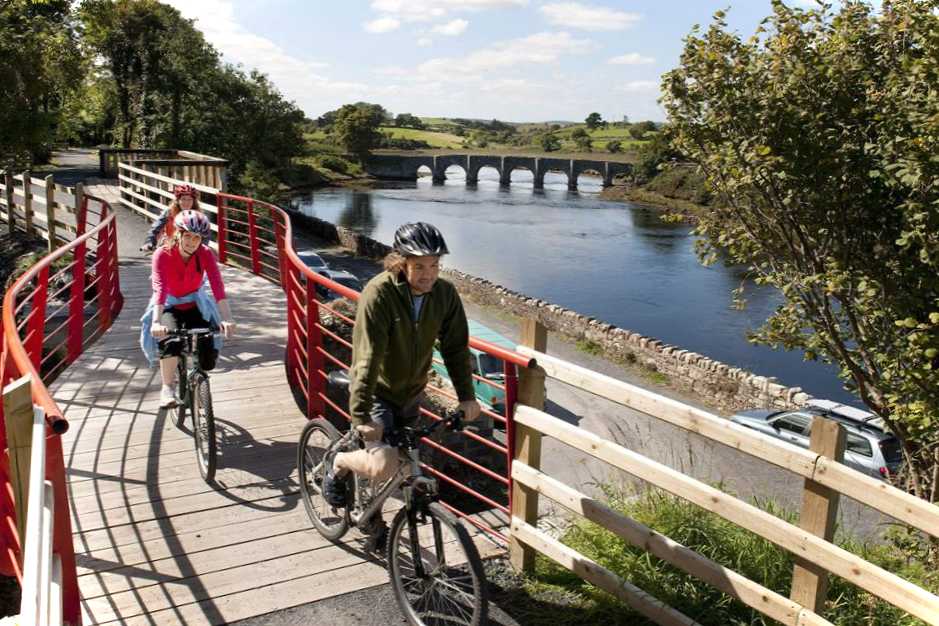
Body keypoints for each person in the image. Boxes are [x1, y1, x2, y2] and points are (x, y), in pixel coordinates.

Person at [323, 222, 481, 510]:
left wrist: (467, 397)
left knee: (409, 465)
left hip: (411, 394)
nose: (428, 274)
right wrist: (361, 416)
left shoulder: (444, 294)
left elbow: (455, 348)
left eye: (434, 265)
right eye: (419, 266)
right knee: (383, 464)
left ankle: (377, 519)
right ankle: (340, 461)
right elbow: (368, 357)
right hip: (377, 392)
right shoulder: (380, 293)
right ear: (400, 262)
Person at [140, 210, 236, 408]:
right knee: (170, 341)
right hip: (169, 304)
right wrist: (156, 322)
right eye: (188, 236)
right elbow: (160, 289)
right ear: (178, 234)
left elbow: (217, 285)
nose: (192, 242)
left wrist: (227, 318)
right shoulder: (162, 254)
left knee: (208, 346)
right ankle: (167, 387)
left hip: (195, 302)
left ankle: (199, 383)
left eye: (197, 238)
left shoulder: (205, 253)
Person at [140, 184, 200, 252]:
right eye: (183, 199)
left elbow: (205, 235)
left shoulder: (198, 216)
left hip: (190, 249)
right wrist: (149, 242)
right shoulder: (169, 212)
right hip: (169, 246)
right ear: (178, 200)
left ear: (194, 202)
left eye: (190, 199)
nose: (186, 202)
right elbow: (156, 228)